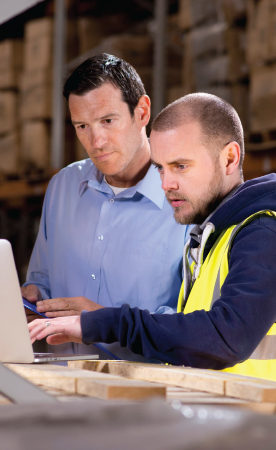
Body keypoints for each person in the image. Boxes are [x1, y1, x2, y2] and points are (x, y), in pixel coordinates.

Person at [29, 93, 276, 411]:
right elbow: (191, 341)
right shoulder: (213, 238)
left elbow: (226, 337)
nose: (166, 184)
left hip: (275, 436)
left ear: (229, 158)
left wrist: (104, 322)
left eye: (180, 166)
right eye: (160, 169)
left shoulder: (268, 234)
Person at [21, 53, 187, 361]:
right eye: (82, 126)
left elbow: (194, 325)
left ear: (142, 112)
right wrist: (34, 299)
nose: (96, 141)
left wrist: (103, 321)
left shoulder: (185, 200)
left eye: (108, 121)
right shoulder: (63, 188)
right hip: (66, 388)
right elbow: (41, 280)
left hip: (149, 396)